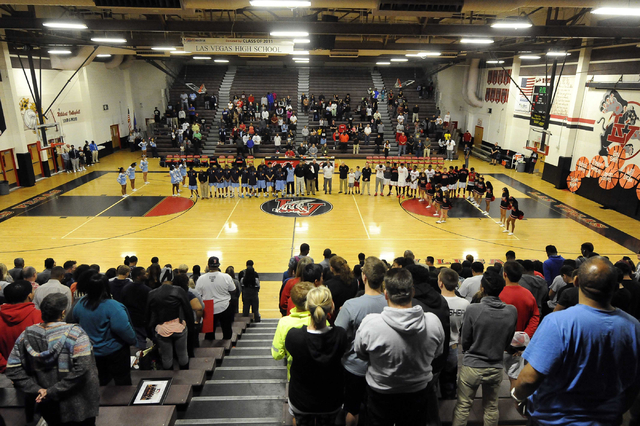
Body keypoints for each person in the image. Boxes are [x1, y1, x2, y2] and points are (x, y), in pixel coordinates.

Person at [512, 257, 640, 425]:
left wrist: (518, 399)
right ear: (616, 288)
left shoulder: (557, 322)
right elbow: (634, 383)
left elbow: (529, 379)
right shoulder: (633, 326)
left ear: (577, 281)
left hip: (553, 420)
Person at [355, 268, 445, 426]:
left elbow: (361, 354)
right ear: (412, 292)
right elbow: (438, 353)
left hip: (380, 395)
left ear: (386, 294)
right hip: (418, 394)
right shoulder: (433, 322)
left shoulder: (370, 324)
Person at [7, 293, 100, 426]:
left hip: (47, 403)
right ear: (63, 312)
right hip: (79, 404)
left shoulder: (26, 335)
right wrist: (53, 390)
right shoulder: (76, 334)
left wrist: (38, 389)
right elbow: (84, 368)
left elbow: (13, 370)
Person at [452, 270, 518, 425]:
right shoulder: (511, 311)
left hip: (472, 366)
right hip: (495, 367)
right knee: (491, 407)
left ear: (482, 288)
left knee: (463, 406)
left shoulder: (473, 309)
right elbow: (509, 340)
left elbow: (466, 339)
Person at [335, 257, 388, 426]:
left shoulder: (351, 305)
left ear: (363, 277)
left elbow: (338, 335)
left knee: (352, 409)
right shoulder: (391, 303)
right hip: (382, 366)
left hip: (355, 368)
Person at [285, 286, 347, 425]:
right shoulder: (340, 335)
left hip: (301, 401)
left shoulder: (294, 336)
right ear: (332, 307)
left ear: (307, 307)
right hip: (331, 402)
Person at [71, 272, 136, 385]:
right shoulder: (113, 306)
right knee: (122, 383)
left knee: (100, 382)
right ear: (106, 287)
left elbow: (75, 322)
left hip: (92, 353)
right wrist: (133, 340)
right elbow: (122, 328)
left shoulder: (80, 304)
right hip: (115, 353)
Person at [499, 261, 539, 385]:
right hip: (520, 346)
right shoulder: (528, 294)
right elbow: (535, 316)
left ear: (504, 274)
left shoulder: (499, 294)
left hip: (500, 344)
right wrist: (523, 338)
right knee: (515, 378)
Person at [146, 276, 195, 370]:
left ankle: (168, 378)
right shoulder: (179, 290)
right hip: (179, 327)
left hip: (162, 329)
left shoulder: (152, 293)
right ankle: (185, 376)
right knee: (183, 354)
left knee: (166, 357)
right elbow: (187, 309)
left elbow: (148, 314)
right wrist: (191, 327)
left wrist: (149, 332)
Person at [272, 281, 315, 380]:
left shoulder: (284, 323)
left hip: (294, 376)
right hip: (317, 376)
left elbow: (277, 355)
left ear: (292, 300)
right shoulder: (321, 321)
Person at [438, 268, 470, 400]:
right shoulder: (465, 304)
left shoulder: (435, 302)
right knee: (450, 378)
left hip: (435, 346)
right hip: (453, 345)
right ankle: (449, 402)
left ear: (440, 283)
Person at [0, 280, 42, 373]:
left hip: (5, 374)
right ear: (29, 296)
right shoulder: (40, 317)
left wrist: (6, 367)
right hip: (33, 373)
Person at [195, 256, 237, 340]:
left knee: (209, 334)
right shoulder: (226, 277)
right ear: (218, 266)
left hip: (208, 307)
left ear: (208, 266)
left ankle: (209, 349)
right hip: (224, 305)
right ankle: (228, 347)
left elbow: (197, 294)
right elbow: (233, 290)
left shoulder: (201, 279)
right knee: (227, 330)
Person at [122, 267, 151, 350]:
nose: (146, 274)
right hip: (143, 319)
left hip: (130, 318)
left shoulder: (125, 288)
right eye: (144, 273)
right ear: (138, 276)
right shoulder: (148, 290)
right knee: (141, 341)